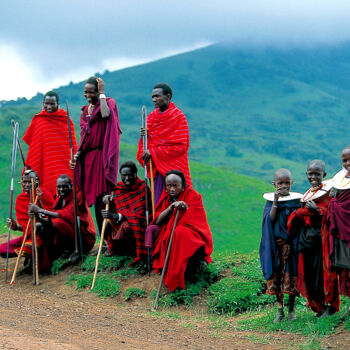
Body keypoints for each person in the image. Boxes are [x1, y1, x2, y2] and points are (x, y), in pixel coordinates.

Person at [145, 170, 213, 291]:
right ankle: (165, 268)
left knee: (180, 232)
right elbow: (158, 220)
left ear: (183, 186)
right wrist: (171, 207)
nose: (171, 189)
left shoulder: (193, 196)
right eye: (169, 186)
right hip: (168, 233)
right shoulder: (165, 199)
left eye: (175, 185)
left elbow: (195, 220)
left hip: (192, 235)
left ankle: (189, 267)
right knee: (155, 230)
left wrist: (182, 208)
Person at [288, 160, 340, 316]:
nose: (313, 177)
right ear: (306, 174)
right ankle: (319, 306)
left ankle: (330, 306)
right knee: (310, 276)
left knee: (324, 273)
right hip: (308, 241)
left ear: (324, 175)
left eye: (317, 174)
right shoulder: (308, 194)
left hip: (322, 241)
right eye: (310, 173)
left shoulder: (328, 193)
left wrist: (317, 210)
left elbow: (332, 213)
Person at [71, 77, 121, 235]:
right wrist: (77, 154)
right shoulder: (85, 110)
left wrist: (102, 95)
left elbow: (106, 115)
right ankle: (103, 240)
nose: (87, 95)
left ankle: (112, 239)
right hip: (88, 159)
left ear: (98, 91)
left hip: (102, 156)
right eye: (85, 92)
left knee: (104, 198)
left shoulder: (108, 103)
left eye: (91, 91)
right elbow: (84, 137)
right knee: (94, 199)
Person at [137, 83, 191, 205]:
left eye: (157, 96)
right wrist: (146, 137)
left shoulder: (178, 117)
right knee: (159, 204)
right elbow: (145, 145)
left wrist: (154, 152)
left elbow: (181, 147)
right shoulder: (150, 117)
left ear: (168, 96)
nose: (154, 100)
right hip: (157, 170)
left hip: (174, 170)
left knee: (177, 204)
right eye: (152, 97)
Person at [260, 168, 302, 323]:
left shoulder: (296, 202)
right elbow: (269, 220)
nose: (284, 186)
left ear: (292, 183)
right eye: (280, 183)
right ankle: (280, 311)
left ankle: (291, 310)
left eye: (287, 183)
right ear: (274, 184)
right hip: (276, 248)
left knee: (291, 278)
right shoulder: (270, 202)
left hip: (292, 247)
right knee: (276, 278)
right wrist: (276, 202)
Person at [28, 175, 96, 270]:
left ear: (71, 186)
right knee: (39, 226)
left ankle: (74, 251)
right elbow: (50, 218)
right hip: (67, 233)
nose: (61, 189)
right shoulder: (59, 199)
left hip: (83, 238)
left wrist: (41, 210)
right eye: (59, 187)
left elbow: (64, 214)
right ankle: (49, 257)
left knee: (58, 223)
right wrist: (36, 214)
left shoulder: (77, 196)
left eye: (64, 186)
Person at [23, 91, 77, 196]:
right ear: (42, 104)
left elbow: (72, 146)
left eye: (52, 104)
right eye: (46, 103)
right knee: (45, 195)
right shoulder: (38, 120)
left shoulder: (65, 120)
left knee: (65, 191)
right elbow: (35, 145)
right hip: (44, 164)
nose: (49, 106)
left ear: (58, 104)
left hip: (62, 165)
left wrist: (74, 161)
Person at [0, 170, 54, 269]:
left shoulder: (43, 195)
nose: (27, 184)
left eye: (30, 181)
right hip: (28, 236)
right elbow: (24, 227)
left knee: (29, 246)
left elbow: (51, 220)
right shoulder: (20, 199)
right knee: (3, 249)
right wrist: (15, 226)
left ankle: (36, 259)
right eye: (24, 182)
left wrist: (39, 204)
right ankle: (29, 256)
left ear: (36, 182)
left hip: (43, 235)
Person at [101, 161, 151, 264]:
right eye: (124, 175)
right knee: (106, 222)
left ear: (135, 173)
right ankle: (112, 248)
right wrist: (108, 199)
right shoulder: (119, 188)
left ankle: (132, 251)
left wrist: (116, 216)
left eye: (129, 175)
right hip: (121, 221)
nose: (127, 178)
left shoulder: (143, 188)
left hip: (138, 223)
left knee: (127, 226)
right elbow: (118, 206)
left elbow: (139, 213)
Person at [328, 146, 350, 298]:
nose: (348, 163)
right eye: (345, 160)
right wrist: (333, 199)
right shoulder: (340, 179)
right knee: (345, 266)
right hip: (341, 230)